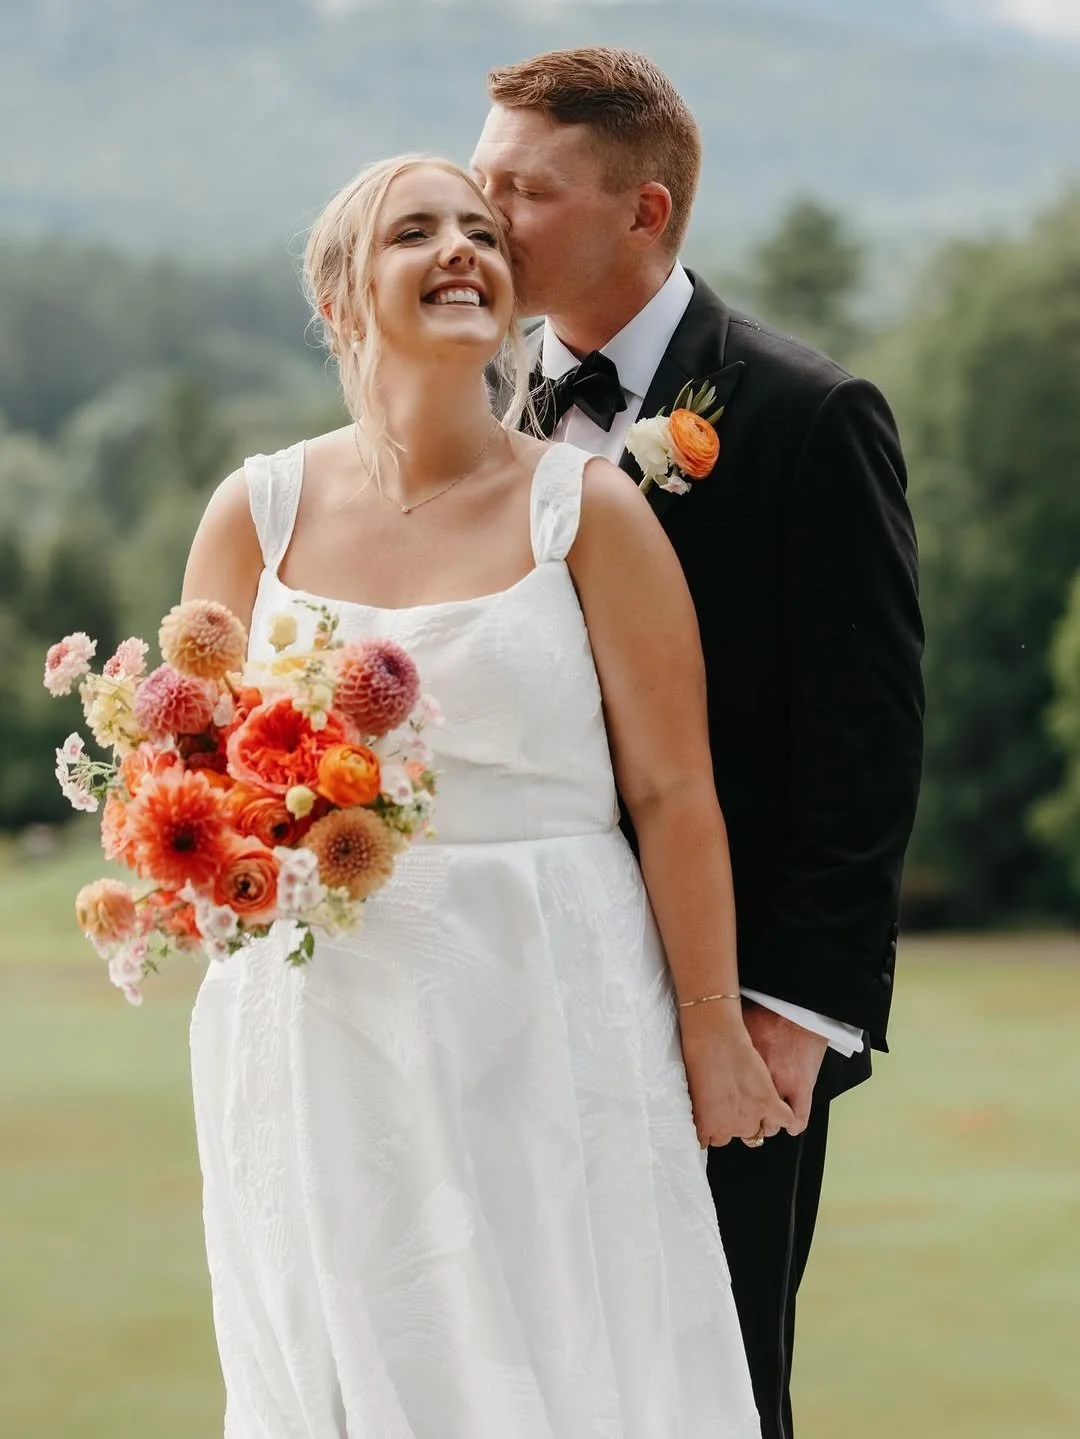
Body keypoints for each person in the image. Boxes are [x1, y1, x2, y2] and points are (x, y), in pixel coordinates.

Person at [183, 154, 787, 1437]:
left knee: (564, 1347)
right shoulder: (257, 508)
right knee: (345, 1350)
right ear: (345, 299)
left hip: (551, 998)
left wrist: (710, 1025)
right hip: (319, 1015)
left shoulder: (593, 510)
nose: (462, 249)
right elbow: (202, 780)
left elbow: (677, 791)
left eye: (479, 233)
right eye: (417, 232)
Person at [471, 47, 925, 1439]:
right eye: (478, 180)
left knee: (708, 1386)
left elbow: (867, 736)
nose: (483, 221)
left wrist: (794, 1010)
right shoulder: (474, 413)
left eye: (522, 192)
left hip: (713, 1011)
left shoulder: (806, 416)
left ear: (644, 211)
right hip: (511, 987)